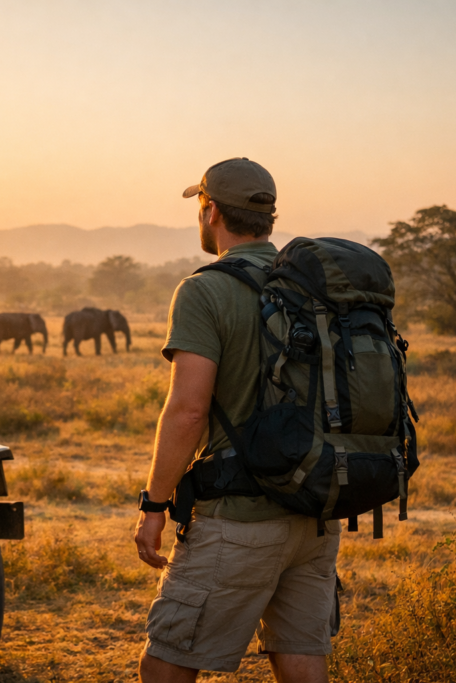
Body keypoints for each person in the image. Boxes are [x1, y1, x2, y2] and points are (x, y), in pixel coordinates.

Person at [134, 158, 339, 683]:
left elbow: (188, 410)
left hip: (239, 518)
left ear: (209, 211)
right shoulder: (311, 286)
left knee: (165, 663)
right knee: (298, 655)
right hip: (313, 515)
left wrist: (154, 505)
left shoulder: (204, 290)